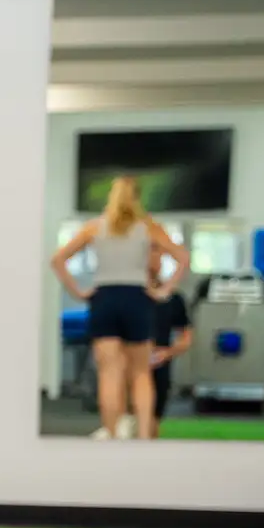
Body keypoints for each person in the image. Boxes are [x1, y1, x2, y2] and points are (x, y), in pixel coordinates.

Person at [52, 176, 190, 441]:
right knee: (140, 373)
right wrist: (164, 290)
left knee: (109, 373)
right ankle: (145, 436)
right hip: (137, 298)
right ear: (137, 198)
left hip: (104, 298)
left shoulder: (94, 228)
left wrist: (78, 292)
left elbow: (58, 259)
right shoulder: (149, 228)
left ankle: (112, 434)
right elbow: (183, 258)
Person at [148, 289, 195, 439]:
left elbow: (186, 336)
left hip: (159, 362)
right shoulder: (130, 296)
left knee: (154, 416)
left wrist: (167, 353)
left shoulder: (172, 299)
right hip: (129, 364)